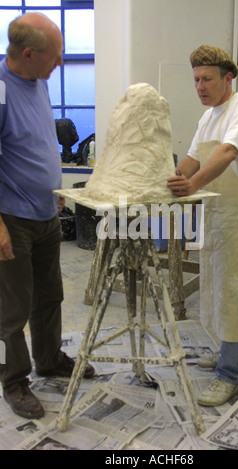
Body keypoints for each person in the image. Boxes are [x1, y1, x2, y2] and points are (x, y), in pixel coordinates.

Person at [0, 13, 94, 420]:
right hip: (12, 219)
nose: (59, 64)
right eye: (55, 57)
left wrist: (53, 190)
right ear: (27, 53)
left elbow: (36, 141)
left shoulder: (38, 82)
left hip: (45, 212)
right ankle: (14, 380)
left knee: (50, 295)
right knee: (11, 309)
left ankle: (48, 358)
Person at [167, 45, 238, 406]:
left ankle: (229, 374)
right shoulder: (208, 117)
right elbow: (193, 159)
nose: (200, 86)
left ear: (228, 78)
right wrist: (169, 180)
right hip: (216, 212)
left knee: (234, 288)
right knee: (220, 285)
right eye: (195, 79)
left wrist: (191, 186)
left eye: (207, 79)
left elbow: (227, 153)